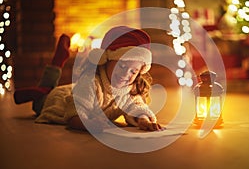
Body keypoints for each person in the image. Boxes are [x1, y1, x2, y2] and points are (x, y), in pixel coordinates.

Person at [14, 26, 163, 132]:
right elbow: (74, 115)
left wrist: (143, 119)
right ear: (105, 60)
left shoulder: (130, 88)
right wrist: (89, 125)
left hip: (75, 90)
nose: (126, 75)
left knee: (74, 91)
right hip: (57, 101)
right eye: (121, 66)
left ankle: (46, 85)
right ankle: (54, 69)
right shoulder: (90, 83)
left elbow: (136, 106)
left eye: (133, 71)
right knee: (41, 100)